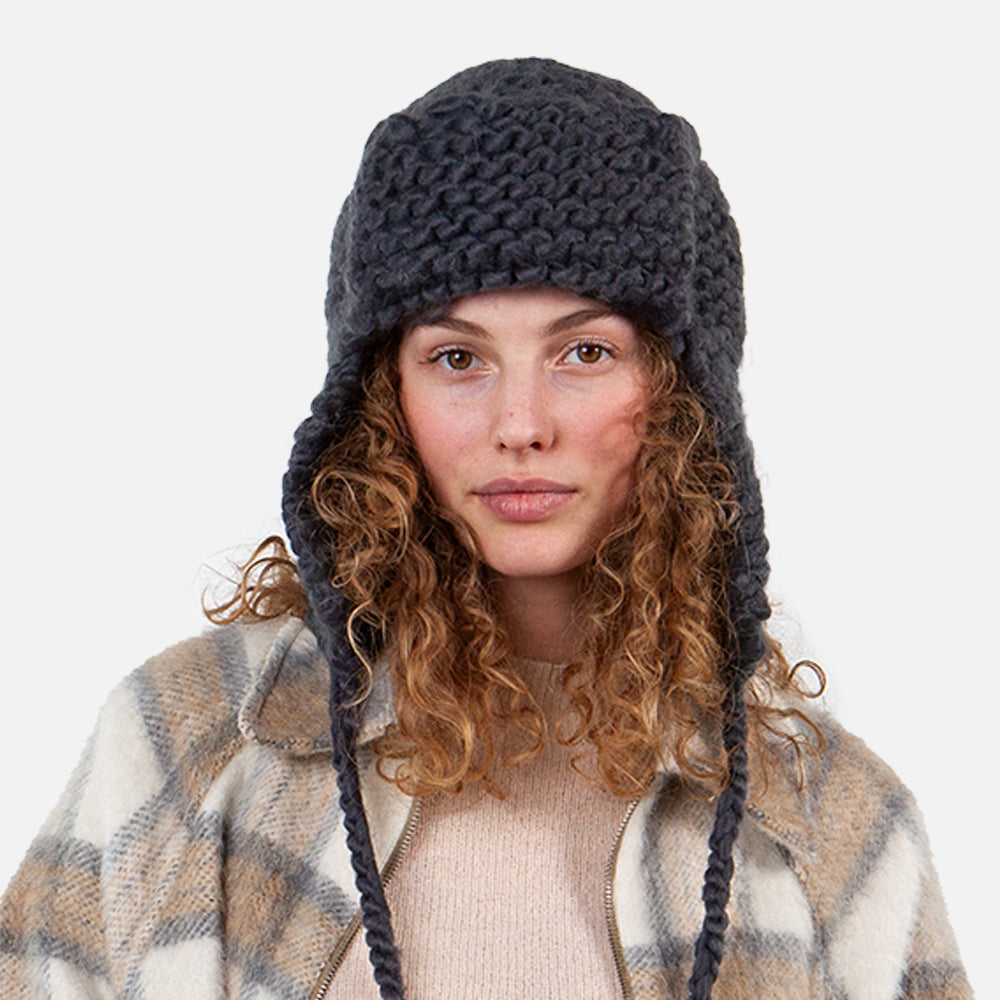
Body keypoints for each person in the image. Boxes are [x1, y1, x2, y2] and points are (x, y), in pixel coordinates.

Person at [0, 58, 972, 1000]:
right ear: (380, 397)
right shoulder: (186, 746)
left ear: (684, 394)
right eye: (458, 358)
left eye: (585, 352)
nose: (521, 424)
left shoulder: (832, 829)